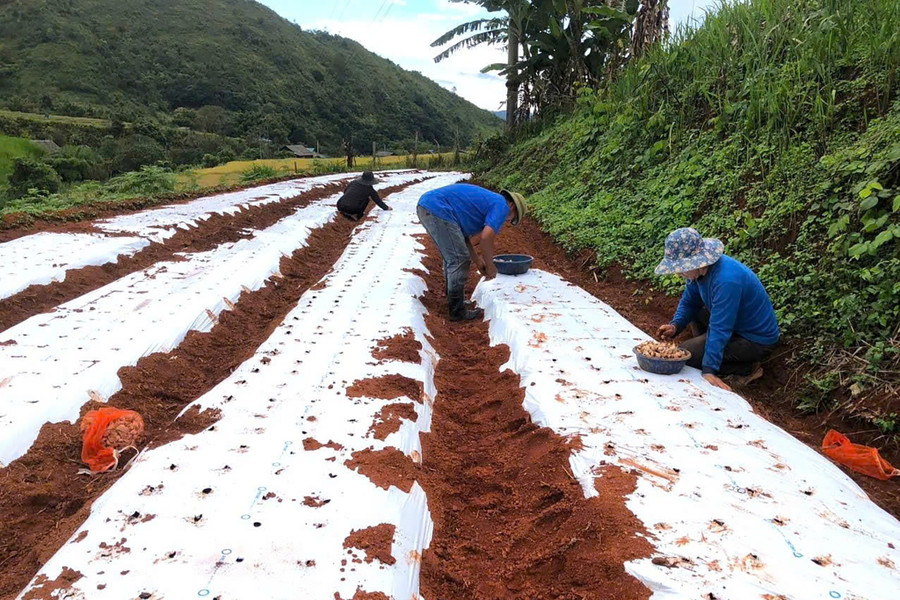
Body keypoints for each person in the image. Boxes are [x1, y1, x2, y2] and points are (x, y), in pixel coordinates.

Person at [654, 227, 779, 392]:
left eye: (682, 268)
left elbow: (721, 327)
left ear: (696, 262)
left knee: (686, 355)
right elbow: (689, 302)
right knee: (696, 311)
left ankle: (746, 368)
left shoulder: (726, 281)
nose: (679, 273)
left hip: (754, 340)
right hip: (733, 324)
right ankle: (708, 347)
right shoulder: (698, 272)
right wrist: (675, 325)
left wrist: (709, 369)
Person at [416, 183, 527, 321]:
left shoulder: (491, 202)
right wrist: (490, 266)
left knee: (455, 256)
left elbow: (462, 238)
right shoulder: (502, 206)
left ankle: (454, 301)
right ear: (512, 207)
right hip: (437, 208)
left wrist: (479, 262)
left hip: (431, 206)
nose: (507, 220)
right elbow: (486, 237)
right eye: (512, 218)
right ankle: (457, 312)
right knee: (458, 259)